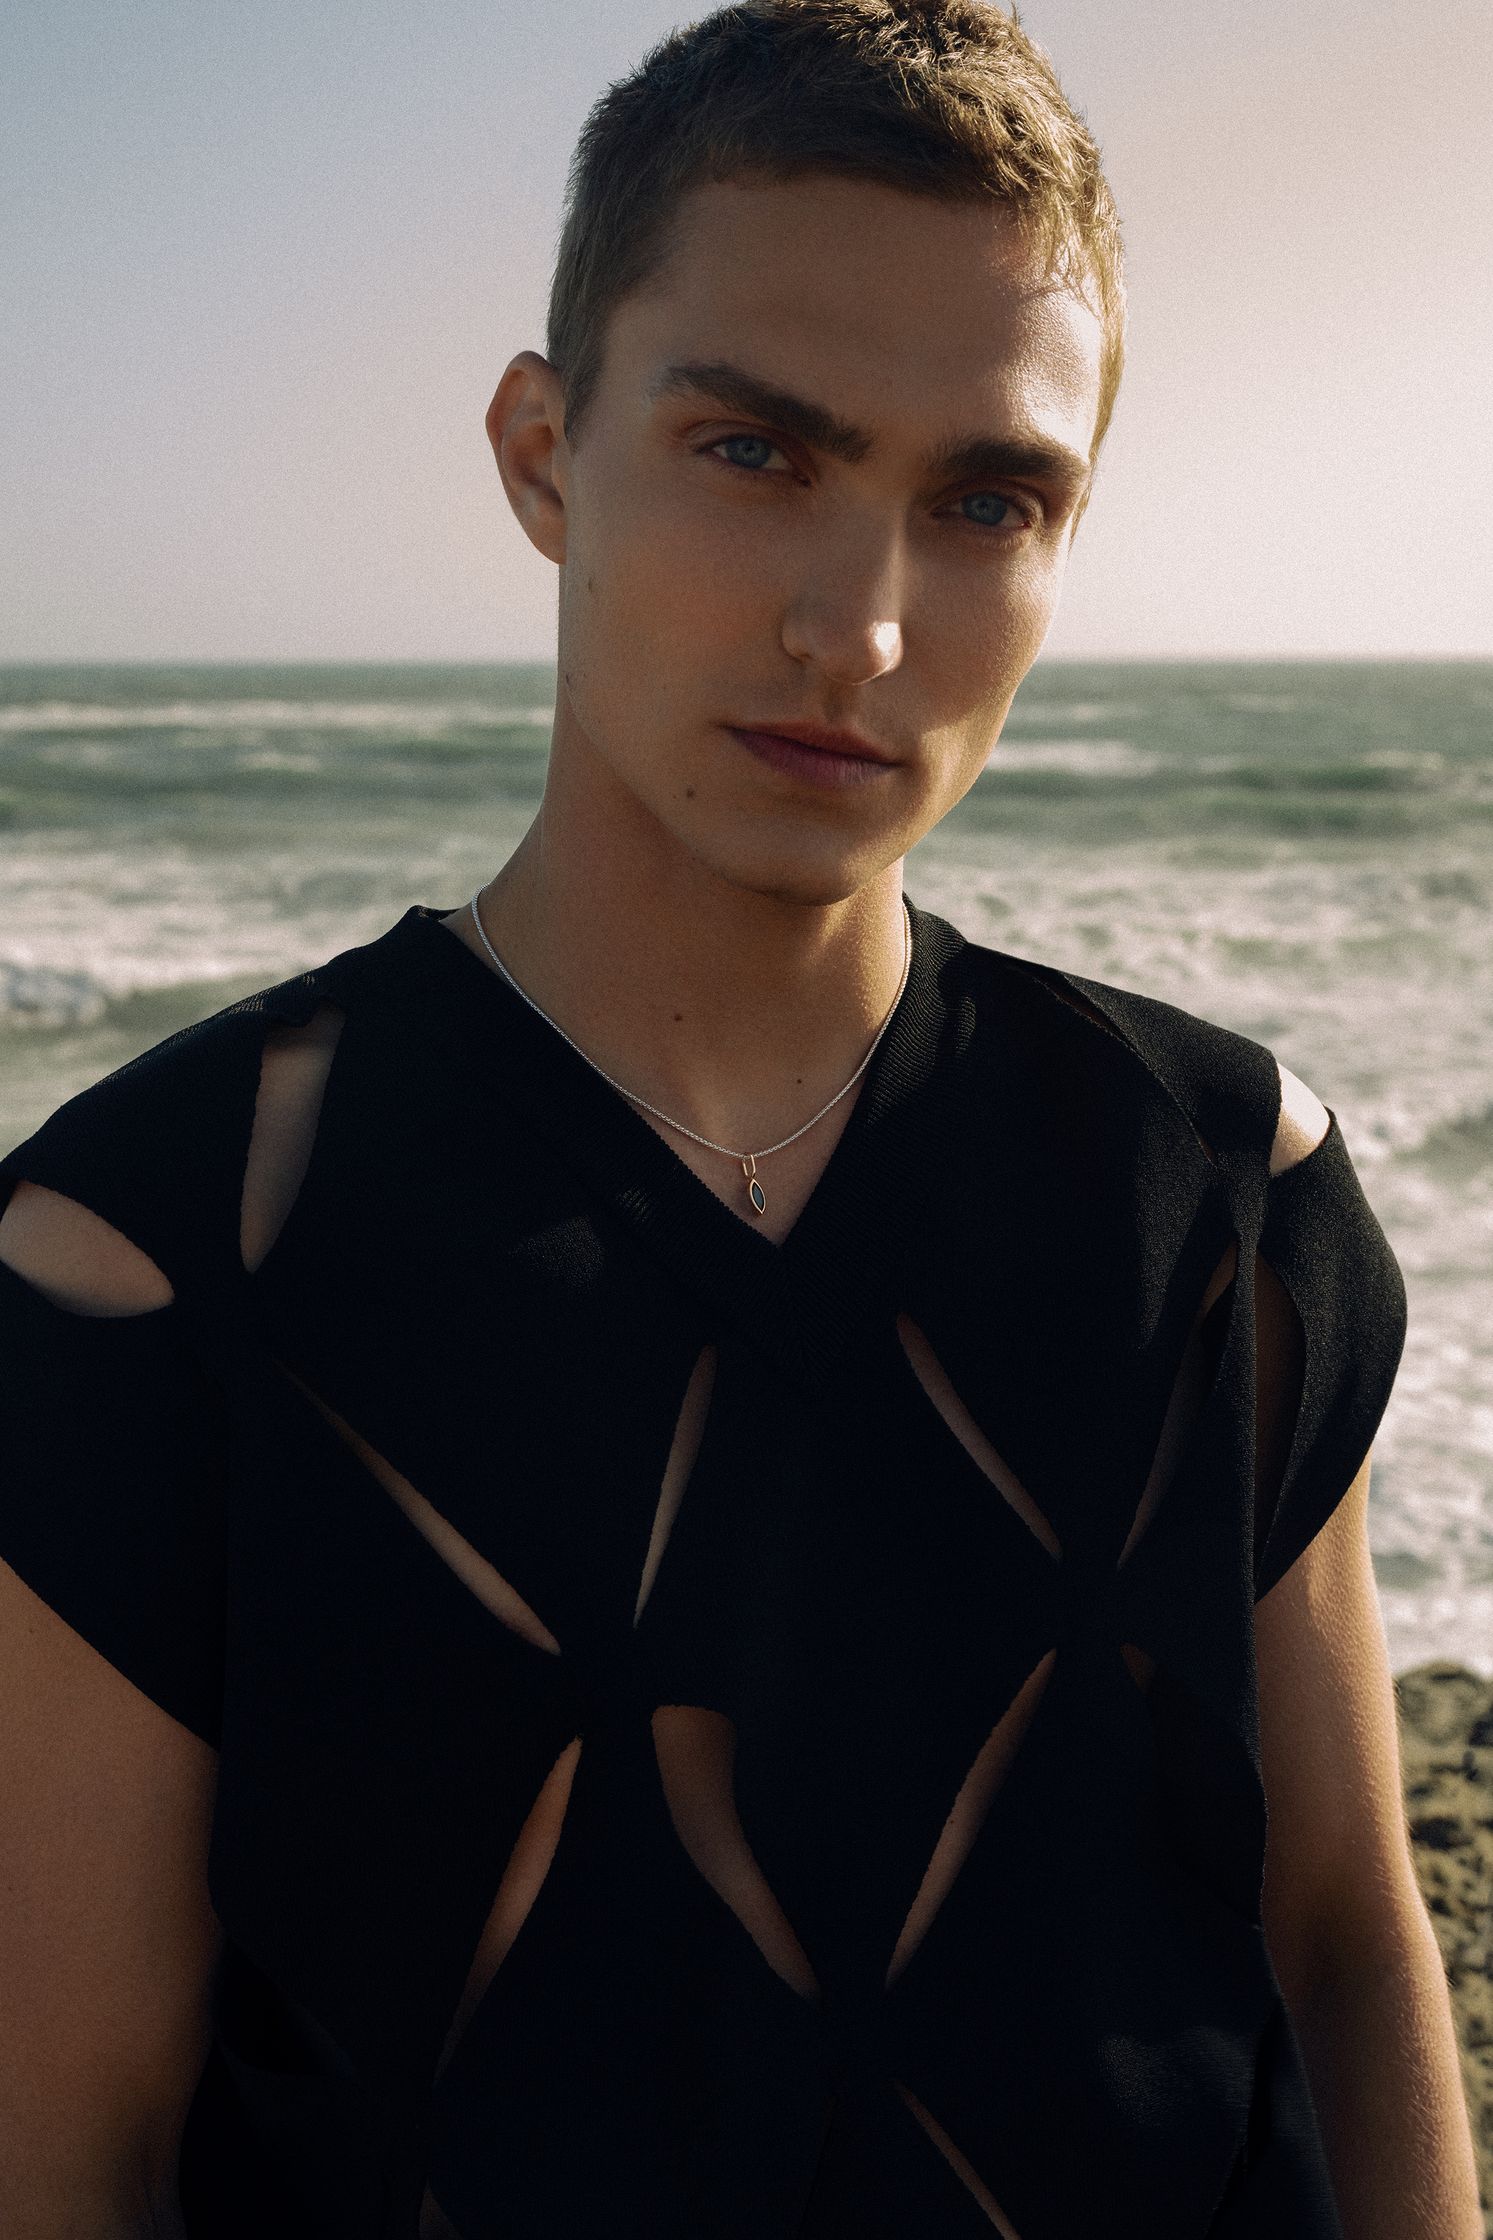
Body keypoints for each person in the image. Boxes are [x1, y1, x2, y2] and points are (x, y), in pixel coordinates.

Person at [0, 2, 1481, 2235]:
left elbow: (1349, 1954)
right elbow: (69, 2143)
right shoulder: (130, 1257)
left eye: (985, 498)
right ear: (538, 450)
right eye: (756, 451)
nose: (862, 629)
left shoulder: (1223, 1193)